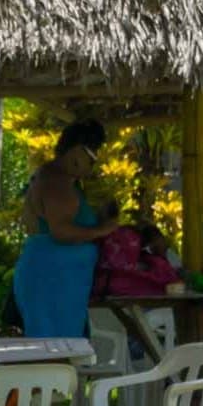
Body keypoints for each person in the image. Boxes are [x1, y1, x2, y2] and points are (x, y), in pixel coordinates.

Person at [13, 118, 119, 341]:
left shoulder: (55, 178)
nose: (93, 164)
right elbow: (61, 231)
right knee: (53, 355)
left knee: (58, 354)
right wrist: (103, 230)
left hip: (59, 279)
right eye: (92, 157)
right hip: (52, 280)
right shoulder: (56, 182)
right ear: (76, 151)